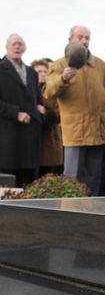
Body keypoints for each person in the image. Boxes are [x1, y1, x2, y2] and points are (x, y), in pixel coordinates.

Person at [45, 25, 105, 195]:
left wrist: (104, 96)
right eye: (80, 37)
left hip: (97, 129)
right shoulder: (60, 64)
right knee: (72, 178)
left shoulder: (100, 64)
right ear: (70, 40)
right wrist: (62, 79)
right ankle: (71, 215)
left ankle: (92, 215)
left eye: (87, 38)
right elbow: (48, 92)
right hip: (74, 131)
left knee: (94, 177)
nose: (84, 41)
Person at [0, 34, 45, 187]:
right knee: (8, 184)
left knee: (27, 183)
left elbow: (37, 98)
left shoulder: (31, 72)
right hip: (8, 136)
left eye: (20, 44)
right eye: (14, 44)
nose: (17, 47)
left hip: (29, 136)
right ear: (7, 47)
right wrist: (16, 113)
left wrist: (39, 106)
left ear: (25, 48)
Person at [32, 59, 63, 176]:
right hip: (31, 144)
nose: (42, 74)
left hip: (50, 143)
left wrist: (44, 111)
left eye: (45, 71)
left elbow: (59, 113)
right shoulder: (26, 91)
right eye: (39, 71)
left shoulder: (53, 92)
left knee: (47, 179)